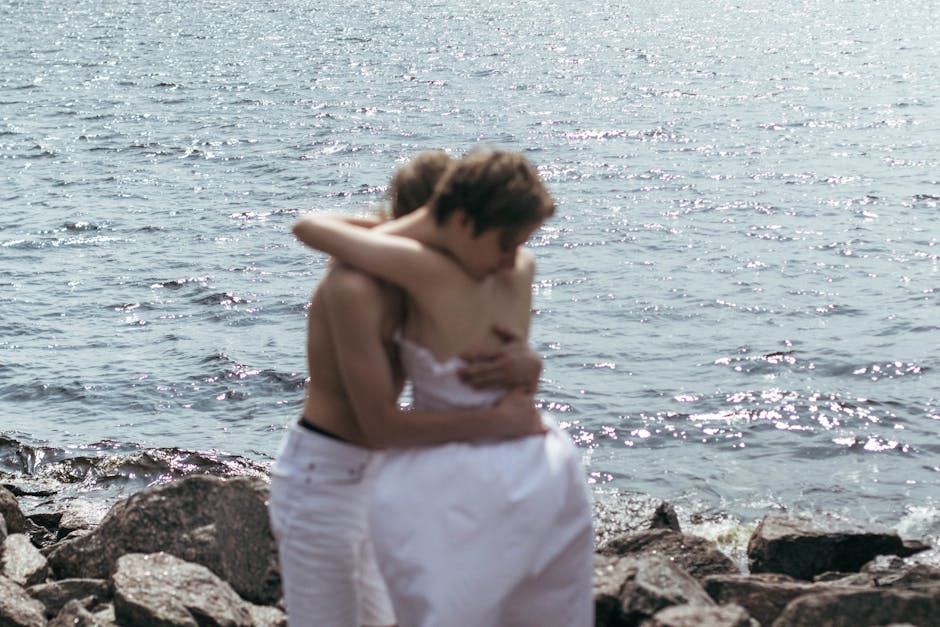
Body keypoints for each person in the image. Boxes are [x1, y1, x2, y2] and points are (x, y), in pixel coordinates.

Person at [292, 148, 594, 626]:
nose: (507, 262)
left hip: (386, 471)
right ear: (450, 223)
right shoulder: (360, 285)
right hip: (330, 471)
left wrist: (530, 366)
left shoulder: (431, 284)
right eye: (503, 241)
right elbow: (380, 427)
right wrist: (495, 421)